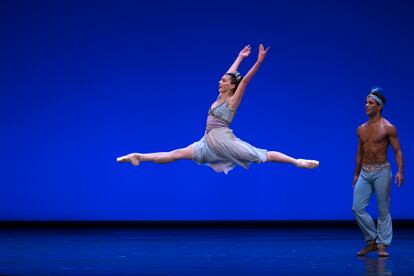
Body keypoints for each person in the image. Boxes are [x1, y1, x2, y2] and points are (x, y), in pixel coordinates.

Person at [117, 44, 319, 173]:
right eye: (220, 80)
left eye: (223, 81)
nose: (220, 81)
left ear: (231, 86)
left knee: (262, 155)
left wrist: (258, 62)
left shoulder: (232, 101)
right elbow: (231, 73)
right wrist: (240, 57)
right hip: (207, 140)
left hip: (223, 140)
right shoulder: (219, 97)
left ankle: (298, 162)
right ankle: (139, 156)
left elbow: (244, 81)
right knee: (175, 154)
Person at [352, 87, 404, 257]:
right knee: (357, 208)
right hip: (365, 172)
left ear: (379, 107)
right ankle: (372, 240)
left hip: (382, 170)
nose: (366, 105)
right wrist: (356, 174)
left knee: (383, 210)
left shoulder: (388, 127)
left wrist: (400, 171)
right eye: (366, 102)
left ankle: (382, 245)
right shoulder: (361, 128)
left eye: (370, 103)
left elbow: (397, 151)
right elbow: (360, 152)